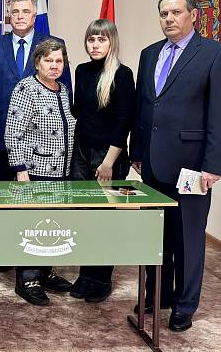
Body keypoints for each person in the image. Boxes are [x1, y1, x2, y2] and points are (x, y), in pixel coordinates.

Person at [131, 0, 221, 332]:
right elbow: (144, 108)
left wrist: (213, 165)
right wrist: (137, 153)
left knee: (187, 239)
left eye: (176, 12)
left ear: (194, 15)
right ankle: (157, 294)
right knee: (155, 235)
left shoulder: (215, 54)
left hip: (192, 166)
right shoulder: (149, 54)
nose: (169, 19)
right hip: (152, 163)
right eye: (164, 13)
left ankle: (184, 305)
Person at [4, 38, 76, 306]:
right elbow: (12, 132)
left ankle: (45, 273)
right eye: (48, 60)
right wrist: (20, 169)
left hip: (62, 172)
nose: (54, 65)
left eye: (59, 61)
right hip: (35, 171)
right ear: (38, 63)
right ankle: (27, 280)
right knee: (33, 226)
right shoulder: (26, 88)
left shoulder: (63, 89)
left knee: (52, 227)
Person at [68, 19, 135, 303]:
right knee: (85, 217)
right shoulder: (81, 71)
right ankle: (85, 275)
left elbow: (124, 122)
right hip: (81, 153)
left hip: (109, 157)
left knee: (104, 219)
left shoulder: (122, 74)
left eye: (101, 39)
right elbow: (79, 113)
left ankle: (101, 278)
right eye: (91, 39)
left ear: (112, 42)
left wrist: (107, 163)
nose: (95, 45)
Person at [0, 0, 73, 181]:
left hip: (41, 145)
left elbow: (65, 92)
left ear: (34, 16)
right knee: (1, 194)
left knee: (35, 197)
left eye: (25, 11)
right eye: (15, 12)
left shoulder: (53, 45)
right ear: (9, 16)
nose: (20, 16)